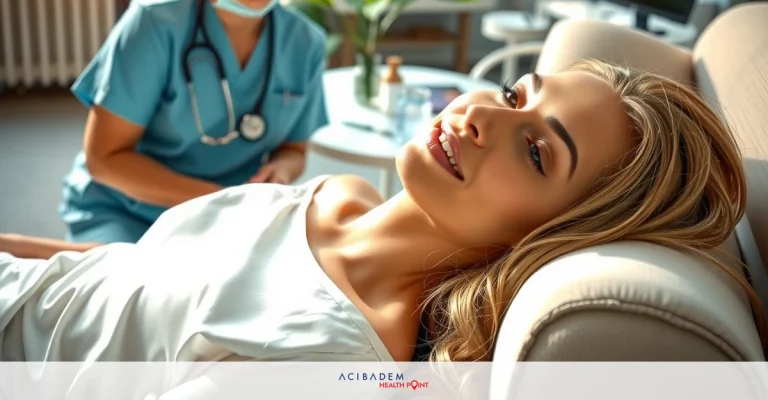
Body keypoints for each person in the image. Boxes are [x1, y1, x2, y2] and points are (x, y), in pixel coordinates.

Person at [0, 60, 763, 363]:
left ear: (556, 234)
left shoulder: (330, 355)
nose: (479, 119)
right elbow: (116, 273)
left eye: (537, 152)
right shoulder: (337, 194)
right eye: (514, 95)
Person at [55, 0, 329, 247]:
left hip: (231, 215)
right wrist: (220, 200)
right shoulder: (153, 24)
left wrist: (282, 170)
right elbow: (104, 160)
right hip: (127, 208)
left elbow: (295, 149)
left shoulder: (305, 41)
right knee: (139, 294)